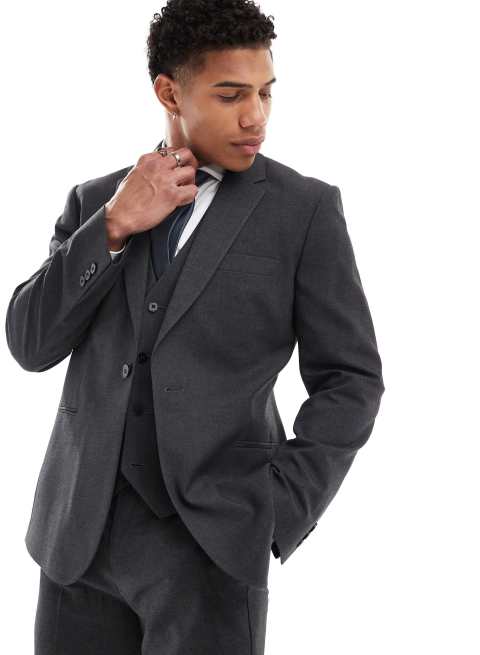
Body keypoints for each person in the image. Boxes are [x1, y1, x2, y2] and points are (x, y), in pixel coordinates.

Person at [5, 1, 385, 653]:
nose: (255, 116)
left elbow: (351, 380)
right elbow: (30, 343)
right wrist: (114, 225)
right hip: (76, 542)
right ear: (169, 92)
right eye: (231, 95)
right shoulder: (97, 200)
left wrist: (278, 507)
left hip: (211, 546)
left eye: (266, 92)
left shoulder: (303, 210)